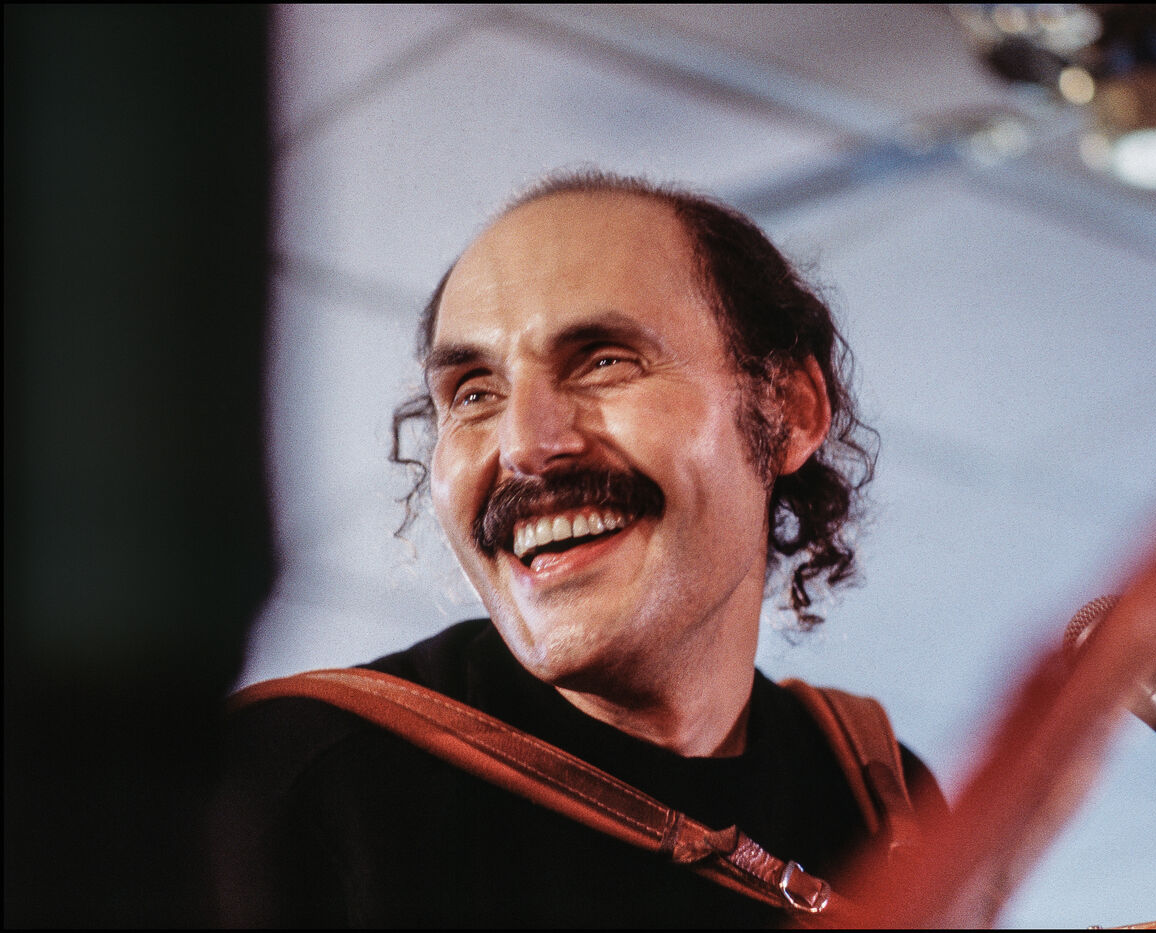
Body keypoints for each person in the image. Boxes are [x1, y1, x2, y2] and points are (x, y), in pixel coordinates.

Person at [209, 171, 944, 927]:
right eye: (473, 392)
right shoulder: (280, 782)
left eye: (604, 360)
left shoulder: (882, 801)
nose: (526, 444)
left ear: (788, 409)